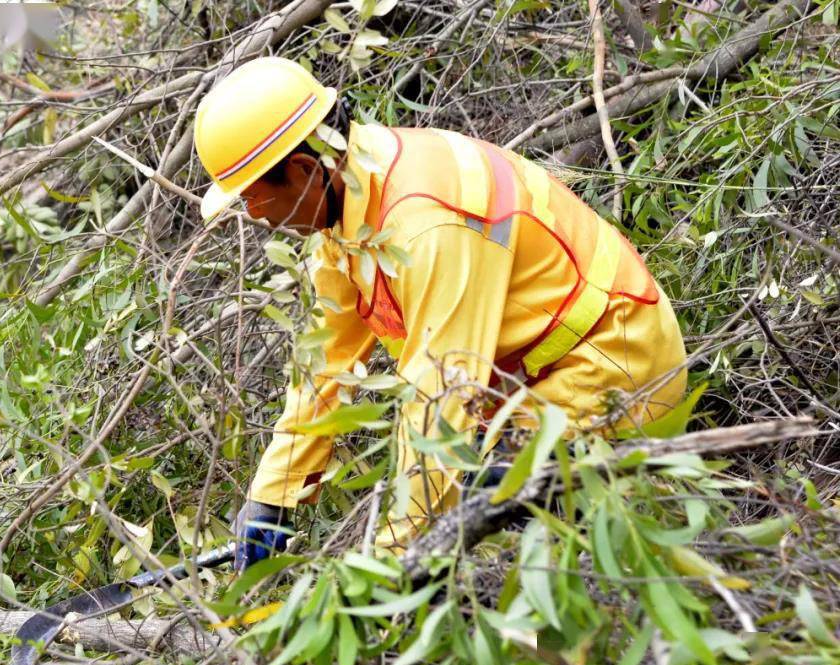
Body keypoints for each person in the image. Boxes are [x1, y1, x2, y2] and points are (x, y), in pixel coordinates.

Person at [193, 57, 687, 571]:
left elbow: (440, 392)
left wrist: (393, 558)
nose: (254, 216)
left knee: (487, 514)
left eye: (251, 196)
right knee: (465, 506)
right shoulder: (345, 214)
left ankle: (564, 634)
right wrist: (273, 498)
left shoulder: (424, 223)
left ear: (302, 171)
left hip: (621, 370)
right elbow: (324, 366)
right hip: (538, 387)